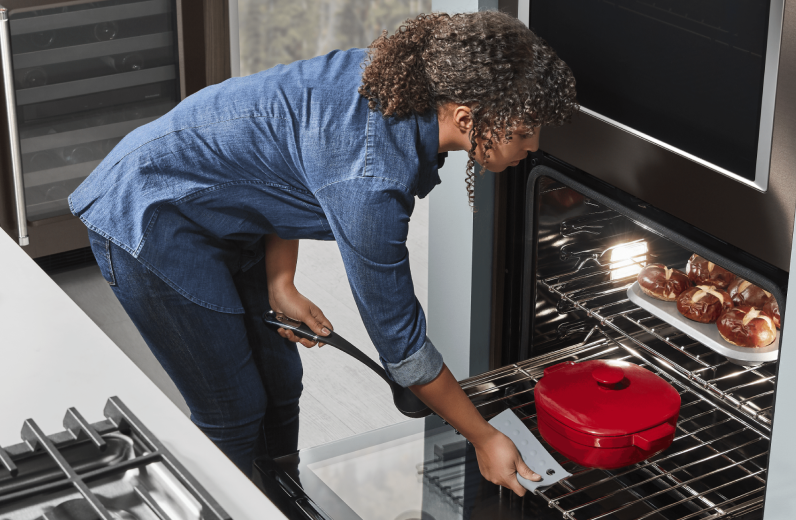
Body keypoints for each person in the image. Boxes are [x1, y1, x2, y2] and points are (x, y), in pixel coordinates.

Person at [69, 10, 576, 495]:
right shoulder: (373, 178)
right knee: (234, 410)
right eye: (522, 132)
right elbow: (401, 344)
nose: (532, 147)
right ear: (467, 117)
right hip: (149, 215)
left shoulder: (397, 82)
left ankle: (276, 501)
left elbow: (282, 161)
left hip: (217, 210)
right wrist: (484, 437)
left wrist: (280, 281)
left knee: (281, 383)